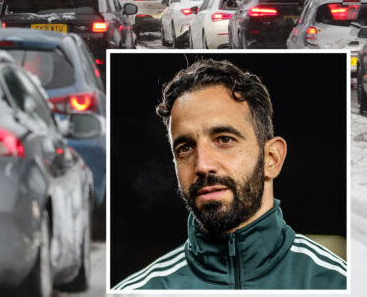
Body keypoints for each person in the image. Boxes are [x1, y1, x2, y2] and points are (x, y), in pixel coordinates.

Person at [113, 59, 347, 290]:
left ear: (271, 158)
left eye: (224, 139)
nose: (202, 165)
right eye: (185, 148)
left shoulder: (339, 284)